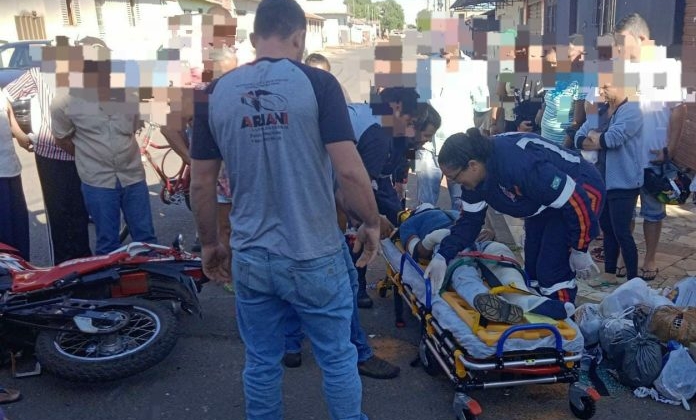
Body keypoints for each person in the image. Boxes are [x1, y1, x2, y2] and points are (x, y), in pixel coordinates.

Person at [189, 0, 381, 419]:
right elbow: (349, 171)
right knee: (336, 357)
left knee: (260, 361)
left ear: (254, 40)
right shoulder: (319, 84)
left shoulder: (213, 94)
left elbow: (201, 182)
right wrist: (370, 221)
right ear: (300, 37)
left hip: (253, 254)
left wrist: (209, 244)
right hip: (313, 252)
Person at [282, 53, 400, 379]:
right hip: (312, 224)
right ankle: (357, 353)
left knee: (290, 284)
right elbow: (347, 175)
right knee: (342, 285)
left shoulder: (284, 114)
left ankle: (291, 346)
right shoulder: (324, 115)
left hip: (279, 225)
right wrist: (370, 220)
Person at [425, 129, 605, 306]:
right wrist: (443, 255)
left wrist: (580, 247)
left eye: (456, 178)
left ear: (472, 165)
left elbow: (573, 198)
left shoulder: (518, 164)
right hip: (543, 203)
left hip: (581, 191)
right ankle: (542, 314)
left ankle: (563, 327)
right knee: (533, 267)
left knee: (552, 269)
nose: (457, 184)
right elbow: (469, 223)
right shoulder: (476, 180)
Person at [50, 38, 157, 255]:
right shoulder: (64, 101)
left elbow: (134, 126)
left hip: (133, 177)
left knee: (146, 240)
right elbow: (61, 138)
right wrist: (86, 156)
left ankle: (155, 286)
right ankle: (110, 287)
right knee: (108, 243)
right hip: (97, 181)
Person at [3, 38, 92, 265]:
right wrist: (20, 134)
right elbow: (8, 98)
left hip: (79, 153)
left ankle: (84, 264)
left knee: (81, 211)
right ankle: (62, 268)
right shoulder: (36, 75)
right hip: (50, 156)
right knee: (59, 214)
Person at [574, 61, 644, 284]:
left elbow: (611, 140)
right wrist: (595, 139)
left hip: (624, 182)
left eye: (606, 86)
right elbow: (578, 136)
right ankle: (610, 273)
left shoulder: (632, 110)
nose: (601, 90)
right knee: (607, 229)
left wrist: (596, 138)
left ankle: (634, 280)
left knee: (622, 231)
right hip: (601, 180)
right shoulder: (601, 109)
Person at [0, 88, 32, 259]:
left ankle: (23, 272)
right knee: (4, 235)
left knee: (18, 229)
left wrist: (23, 138)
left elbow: (11, 121)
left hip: (11, 169)